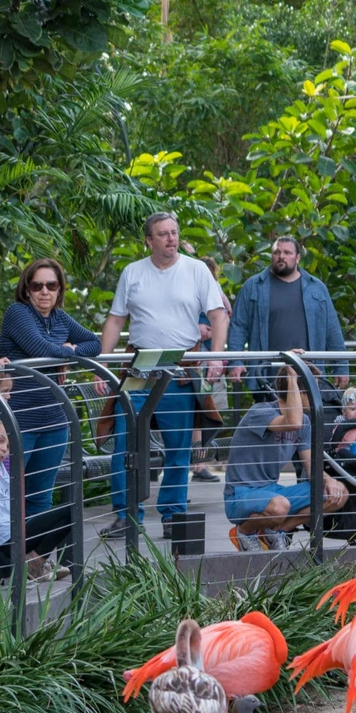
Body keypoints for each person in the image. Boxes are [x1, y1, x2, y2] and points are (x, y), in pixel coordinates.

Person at [98, 212, 230, 528]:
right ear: (149, 240)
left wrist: (216, 357)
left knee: (178, 447)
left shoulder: (197, 270)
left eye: (174, 232)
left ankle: (173, 515)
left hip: (179, 368)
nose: (171, 238)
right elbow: (116, 320)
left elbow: (219, 315)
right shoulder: (133, 273)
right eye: (163, 234)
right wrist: (102, 364)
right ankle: (126, 516)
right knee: (125, 442)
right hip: (139, 367)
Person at [0, 258, 101, 517]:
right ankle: (2, 557)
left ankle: (35, 558)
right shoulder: (18, 313)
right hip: (18, 420)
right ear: (26, 289)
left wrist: (70, 350)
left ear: (59, 289)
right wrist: (66, 353)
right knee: (7, 496)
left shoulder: (60, 318)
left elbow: (94, 344)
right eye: (37, 286)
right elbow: (40, 349)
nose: (45, 291)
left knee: (41, 498)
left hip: (54, 421)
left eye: (51, 285)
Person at [223, 367, 347, 551]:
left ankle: (276, 531)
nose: (317, 396)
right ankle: (244, 532)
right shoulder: (259, 412)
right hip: (240, 494)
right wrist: (292, 375)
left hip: (272, 491)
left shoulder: (304, 423)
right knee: (280, 506)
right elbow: (292, 421)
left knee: (338, 494)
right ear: (298, 393)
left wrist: (329, 481)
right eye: (313, 390)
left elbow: (312, 467)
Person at [0, 390, 73, 581]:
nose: (5, 448)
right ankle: (33, 565)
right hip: (4, 540)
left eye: (8, 445)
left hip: (14, 535)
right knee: (72, 509)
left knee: (71, 512)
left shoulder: (0, 469)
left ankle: (32, 562)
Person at [226, 235, 347, 397]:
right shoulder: (253, 287)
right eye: (277, 252)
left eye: (287, 253)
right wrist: (235, 361)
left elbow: (332, 330)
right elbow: (238, 327)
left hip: (309, 376)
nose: (281, 256)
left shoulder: (317, 288)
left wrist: (341, 366)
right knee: (270, 421)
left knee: (309, 421)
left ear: (297, 258)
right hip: (266, 377)